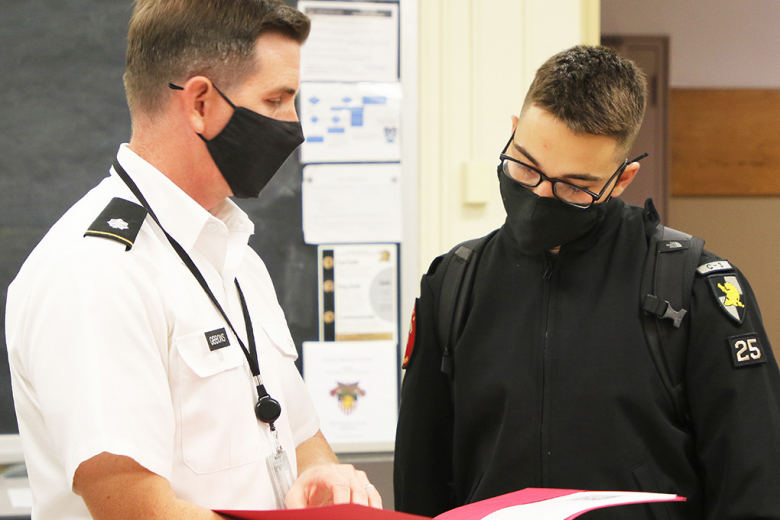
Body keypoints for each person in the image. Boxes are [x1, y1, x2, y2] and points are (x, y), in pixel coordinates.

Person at [5, 1, 382, 518]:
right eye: (276, 100)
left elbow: (297, 433)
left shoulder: (235, 256)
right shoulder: (98, 271)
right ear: (201, 102)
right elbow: (136, 510)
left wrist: (321, 475)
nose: (294, 125)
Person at [394, 45, 780, 520]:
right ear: (514, 131)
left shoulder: (694, 289)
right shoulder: (452, 284)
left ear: (621, 180)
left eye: (574, 187)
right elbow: (421, 480)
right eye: (525, 167)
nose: (539, 196)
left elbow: (755, 482)